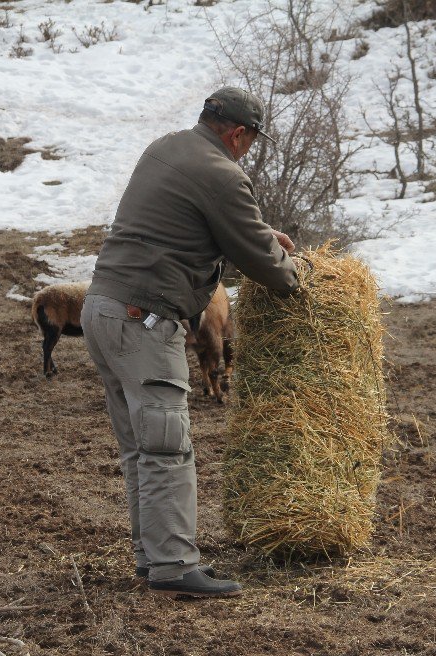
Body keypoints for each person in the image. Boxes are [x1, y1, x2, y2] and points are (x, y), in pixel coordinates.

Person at [81, 87, 299, 599]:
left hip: (103, 309)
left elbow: (186, 221)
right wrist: (298, 272)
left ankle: (151, 557)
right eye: (249, 141)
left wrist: (260, 234)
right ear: (238, 132)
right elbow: (272, 271)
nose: (247, 150)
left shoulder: (166, 147)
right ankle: (174, 565)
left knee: (140, 445)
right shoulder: (222, 171)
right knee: (166, 446)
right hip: (143, 320)